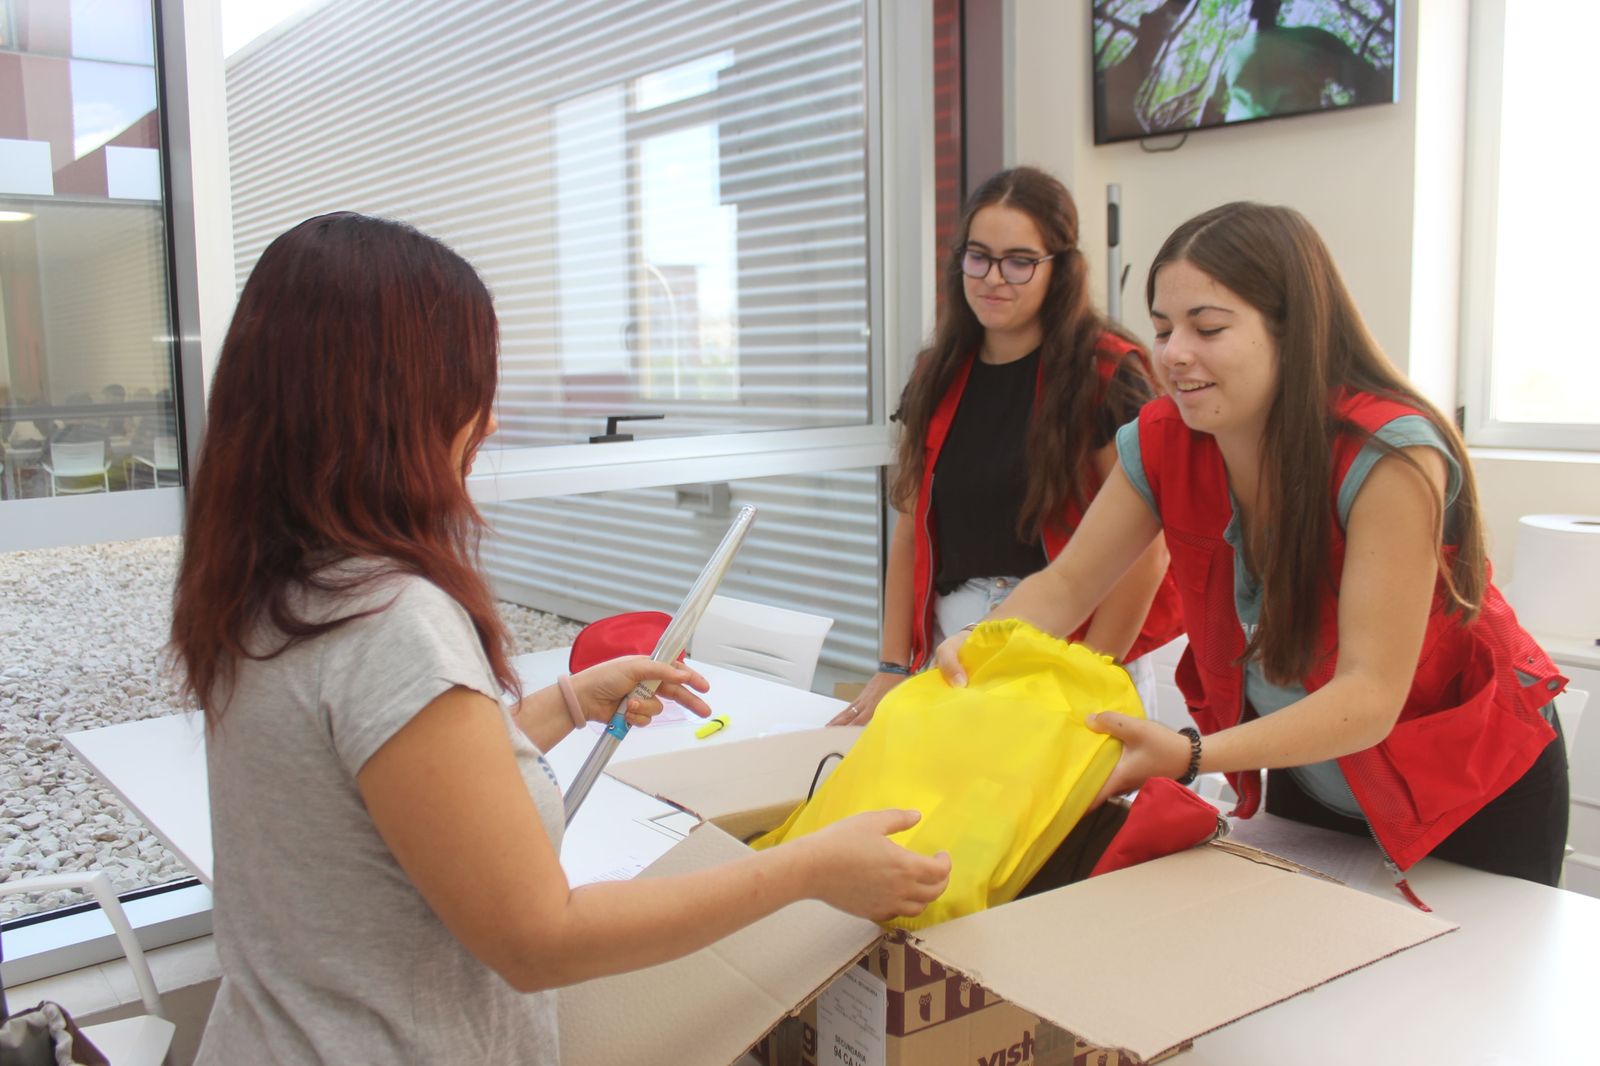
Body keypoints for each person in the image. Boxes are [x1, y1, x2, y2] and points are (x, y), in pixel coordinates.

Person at [171, 212, 951, 1064]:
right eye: (470, 387)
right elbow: (542, 937)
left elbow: (391, 790)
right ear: (387, 403)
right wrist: (806, 870)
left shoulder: (266, 586)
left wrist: (571, 702)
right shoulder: (391, 621)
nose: (491, 424)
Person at [934, 202, 1570, 890]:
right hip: (1320, 771)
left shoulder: (1388, 457)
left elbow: (1369, 694)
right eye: (1162, 328)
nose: (1174, 353)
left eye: (1207, 328)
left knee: (1459, 990)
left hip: (1473, 785)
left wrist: (1188, 753)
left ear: (1293, 333)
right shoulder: (1162, 442)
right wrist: (981, 646)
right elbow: (1064, 586)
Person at [833, 166, 1181, 726]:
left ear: (1058, 269)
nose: (994, 278)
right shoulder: (937, 372)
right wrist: (893, 666)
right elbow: (910, 527)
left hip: (1072, 640)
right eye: (979, 256)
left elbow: (1145, 548)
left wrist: (1094, 670)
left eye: (1020, 261)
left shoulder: (1106, 370)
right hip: (958, 648)